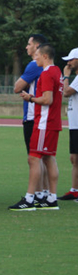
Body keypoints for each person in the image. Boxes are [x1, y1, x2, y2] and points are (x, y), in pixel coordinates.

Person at [10, 43, 63, 211]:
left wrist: (30, 98)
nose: (35, 58)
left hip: (44, 123)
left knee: (34, 158)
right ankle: (51, 198)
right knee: (49, 158)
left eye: (37, 56)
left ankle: (30, 198)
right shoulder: (57, 72)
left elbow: (48, 100)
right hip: (53, 122)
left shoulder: (47, 73)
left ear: (45, 56)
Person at [13, 33, 49, 200]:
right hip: (44, 115)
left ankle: (39, 193)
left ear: (36, 47)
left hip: (33, 116)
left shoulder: (34, 65)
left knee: (34, 158)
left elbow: (17, 87)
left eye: (29, 44)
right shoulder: (50, 67)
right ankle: (46, 193)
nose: (26, 47)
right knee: (46, 157)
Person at [60, 48, 78, 200]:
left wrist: (66, 76)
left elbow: (66, 92)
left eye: (71, 59)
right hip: (74, 124)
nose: (69, 62)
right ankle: (74, 190)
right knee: (74, 158)